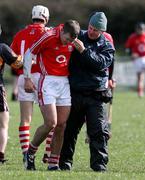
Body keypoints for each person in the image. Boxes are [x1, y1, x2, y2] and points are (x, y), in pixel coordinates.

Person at [59, 12, 115, 172]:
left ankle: (99, 164)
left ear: (102, 31)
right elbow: (61, 35)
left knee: (98, 132)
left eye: (95, 30)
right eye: (90, 27)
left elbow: (100, 64)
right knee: (69, 130)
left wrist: (84, 51)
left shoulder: (106, 46)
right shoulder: (78, 35)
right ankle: (64, 163)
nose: (91, 31)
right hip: (74, 92)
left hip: (95, 94)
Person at [23, 19, 80, 170]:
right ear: (62, 31)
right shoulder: (48, 36)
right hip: (47, 81)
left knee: (61, 125)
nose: (68, 42)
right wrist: (27, 78)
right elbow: (29, 54)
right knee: (51, 123)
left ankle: (53, 163)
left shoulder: (74, 41)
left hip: (64, 83)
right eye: (67, 39)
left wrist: (83, 49)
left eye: (71, 40)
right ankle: (30, 153)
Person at [10, 5, 53, 163]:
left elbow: (14, 60)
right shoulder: (48, 33)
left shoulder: (20, 34)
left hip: (23, 77)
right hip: (42, 78)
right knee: (50, 120)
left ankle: (25, 154)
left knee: (25, 119)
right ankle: (48, 153)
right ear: (46, 18)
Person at [0, 25, 23, 163]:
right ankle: (0, 155)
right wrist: (29, 60)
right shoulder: (2, 47)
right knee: (3, 124)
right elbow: (17, 64)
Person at [125, 22, 145, 97]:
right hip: (137, 59)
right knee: (140, 76)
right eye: (140, 29)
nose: (141, 31)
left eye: (142, 29)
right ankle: (140, 92)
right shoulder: (133, 37)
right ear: (137, 30)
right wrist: (131, 54)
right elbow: (127, 48)